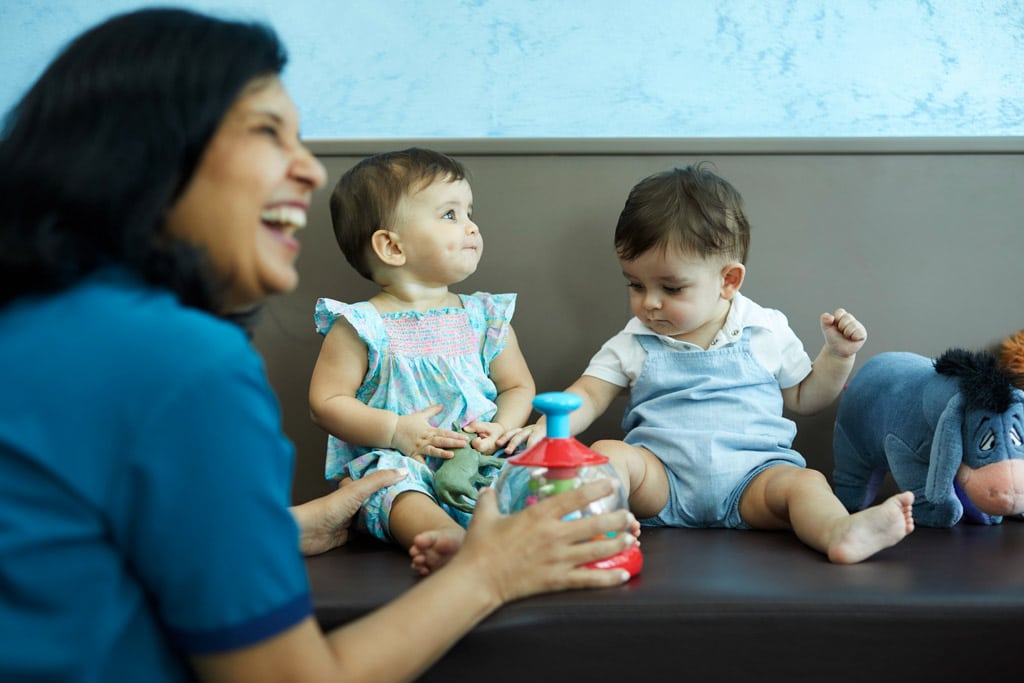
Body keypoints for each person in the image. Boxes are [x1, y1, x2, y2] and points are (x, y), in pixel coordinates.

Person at [0, 9, 637, 682]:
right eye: (269, 133)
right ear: (147, 153)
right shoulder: (183, 365)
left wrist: (297, 524)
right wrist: (491, 569)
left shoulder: (33, 330)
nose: (308, 169)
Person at [500, 163, 914, 564]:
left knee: (806, 484)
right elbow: (589, 393)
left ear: (728, 281)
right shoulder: (636, 340)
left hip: (754, 479)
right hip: (660, 480)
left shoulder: (763, 330)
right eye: (635, 284)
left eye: (671, 287)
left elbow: (807, 397)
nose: (649, 302)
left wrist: (838, 355)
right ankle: (594, 530)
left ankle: (839, 532)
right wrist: (543, 431)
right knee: (610, 454)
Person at [309, 148, 535, 575]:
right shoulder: (361, 326)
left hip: (481, 455)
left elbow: (517, 386)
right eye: (450, 214)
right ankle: (449, 542)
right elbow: (326, 402)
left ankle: (568, 525)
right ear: (392, 246)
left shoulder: (485, 317)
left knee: (535, 465)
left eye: (469, 212)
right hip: (402, 460)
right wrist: (395, 432)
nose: (471, 226)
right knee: (392, 484)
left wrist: (503, 427)